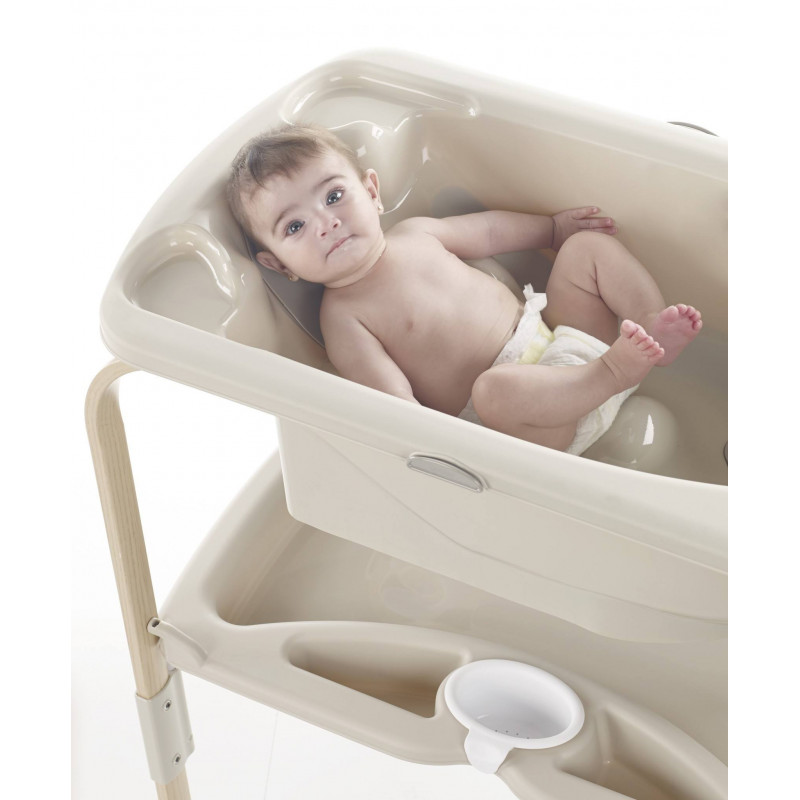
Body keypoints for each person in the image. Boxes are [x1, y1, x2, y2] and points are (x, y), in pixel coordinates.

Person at [227, 124, 702, 455]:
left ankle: (653, 329)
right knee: (494, 389)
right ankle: (617, 371)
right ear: (279, 264)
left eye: (333, 196)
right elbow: (397, 406)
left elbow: (491, 232)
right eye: (294, 227)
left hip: (565, 345)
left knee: (585, 250)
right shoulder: (343, 319)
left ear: (371, 192)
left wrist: (553, 230)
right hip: (535, 425)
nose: (325, 223)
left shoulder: (416, 234)